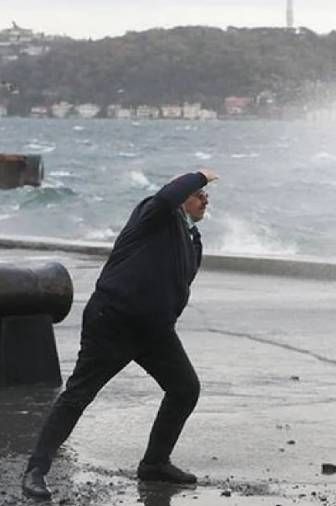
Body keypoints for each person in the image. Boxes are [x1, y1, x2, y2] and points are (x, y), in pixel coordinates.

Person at [22, 169, 218, 499]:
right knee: (78, 396)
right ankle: (35, 471)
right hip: (112, 321)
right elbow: (167, 195)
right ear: (182, 196)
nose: (205, 198)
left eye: (205, 195)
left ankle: (155, 463)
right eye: (199, 194)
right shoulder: (154, 213)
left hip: (155, 331)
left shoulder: (192, 240)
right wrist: (200, 175)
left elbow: (177, 284)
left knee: (185, 388)